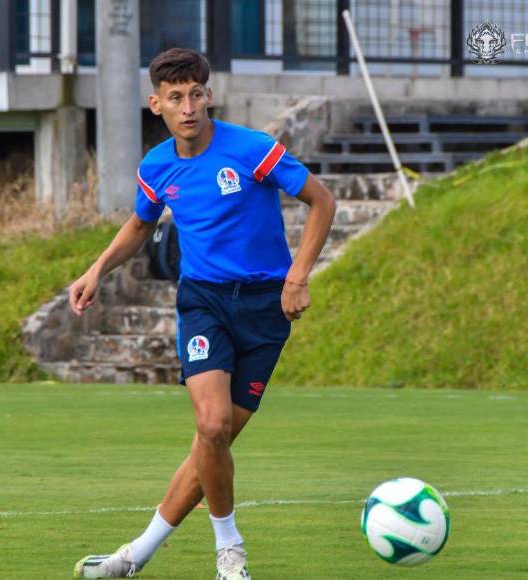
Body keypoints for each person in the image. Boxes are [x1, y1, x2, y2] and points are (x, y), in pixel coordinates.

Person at [70, 48, 336, 579]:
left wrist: (297, 276)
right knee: (211, 424)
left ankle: (136, 555)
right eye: (175, 98)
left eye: (196, 94)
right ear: (156, 105)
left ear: (208, 95)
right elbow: (142, 224)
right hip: (204, 302)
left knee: (214, 443)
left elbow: (322, 202)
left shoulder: (253, 149)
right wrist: (97, 268)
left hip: (265, 308)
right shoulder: (157, 166)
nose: (188, 106)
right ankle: (229, 552)